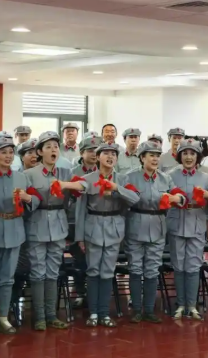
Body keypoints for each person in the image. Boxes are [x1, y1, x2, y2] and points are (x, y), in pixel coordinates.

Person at [23, 131, 85, 331]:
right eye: (48, 147)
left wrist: (66, 184)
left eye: (56, 147)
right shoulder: (29, 175)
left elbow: (84, 186)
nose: (53, 150)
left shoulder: (66, 173)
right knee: (37, 272)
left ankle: (51, 315)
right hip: (36, 225)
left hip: (58, 225)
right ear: (40, 152)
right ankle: (39, 317)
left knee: (52, 271)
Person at [74, 142, 140, 327]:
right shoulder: (87, 179)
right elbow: (80, 210)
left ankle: (104, 313)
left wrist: (117, 188)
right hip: (93, 227)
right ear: (98, 157)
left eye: (113, 154)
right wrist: (79, 237)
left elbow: (135, 199)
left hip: (114, 228)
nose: (110, 157)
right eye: (106, 153)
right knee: (93, 271)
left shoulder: (122, 179)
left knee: (107, 272)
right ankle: (93, 313)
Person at [0, 137, 34, 335]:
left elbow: (34, 200)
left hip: (15, 229)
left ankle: (3, 316)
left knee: (8, 277)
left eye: (11, 152)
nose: (8, 156)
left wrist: (29, 198)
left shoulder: (22, 178)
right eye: (3, 152)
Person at [125, 141, 184, 323]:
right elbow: (127, 199)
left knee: (152, 269)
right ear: (142, 158)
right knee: (135, 268)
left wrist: (175, 197)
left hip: (158, 227)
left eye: (158, 155)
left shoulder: (165, 178)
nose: (155, 159)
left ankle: (149, 310)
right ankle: (136, 310)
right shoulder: (130, 177)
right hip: (136, 225)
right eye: (151, 155)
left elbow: (181, 197)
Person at [167, 139, 208, 320]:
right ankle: (180, 304)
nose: (189, 157)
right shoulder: (170, 176)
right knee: (178, 266)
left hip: (197, 223)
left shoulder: (206, 177)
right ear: (179, 156)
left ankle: (191, 305)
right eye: (185, 153)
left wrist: (207, 194)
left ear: (198, 157)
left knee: (193, 266)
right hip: (176, 223)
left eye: (192, 154)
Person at [68, 135, 102, 308]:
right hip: (76, 221)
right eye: (90, 150)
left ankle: (96, 294)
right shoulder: (73, 173)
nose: (94, 153)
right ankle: (81, 292)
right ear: (81, 153)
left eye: (97, 150)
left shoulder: (104, 172)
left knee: (97, 261)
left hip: (98, 222)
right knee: (80, 261)